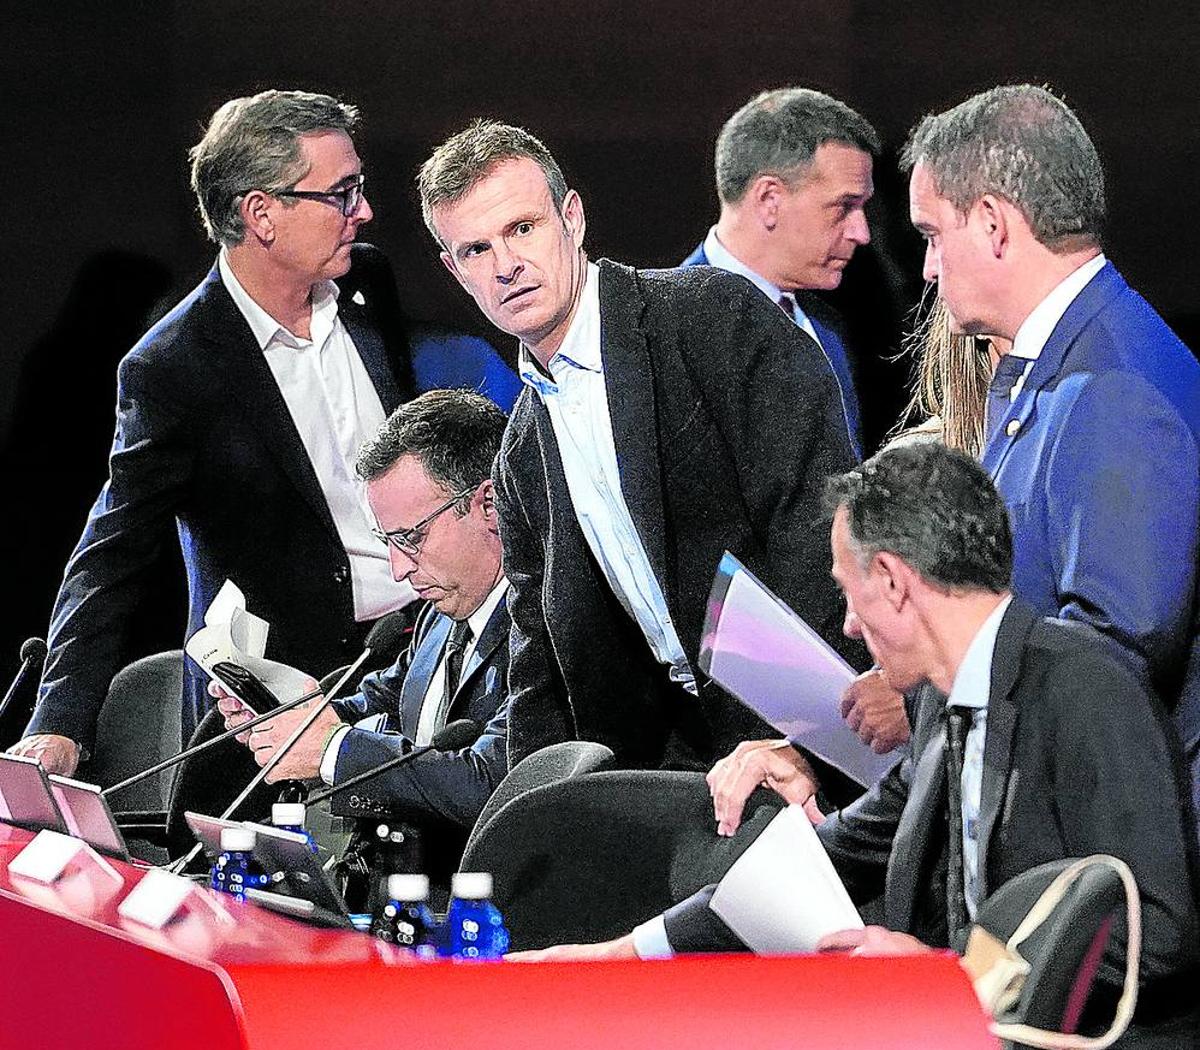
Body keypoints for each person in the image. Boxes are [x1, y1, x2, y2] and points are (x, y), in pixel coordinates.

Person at [518, 444, 1200, 1041]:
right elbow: (828, 857)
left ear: (896, 583)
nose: (846, 624)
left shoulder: (1086, 690)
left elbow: (1156, 931)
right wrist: (620, 955)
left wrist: (955, 978)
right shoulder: (942, 703)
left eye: (848, 592)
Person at [417, 120, 862, 771]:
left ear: (572, 218)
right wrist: (533, 829)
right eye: (477, 249)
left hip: (813, 729)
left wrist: (816, 730)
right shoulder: (518, 457)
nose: (507, 265)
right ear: (455, 271)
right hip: (672, 765)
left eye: (522, 228)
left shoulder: (708, 313)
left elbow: (813, 515)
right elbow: (539, 666)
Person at [10, 90, 423, 774]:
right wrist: (59, 721)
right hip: (271, 710)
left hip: (411, 662)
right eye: (342, 193)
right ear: (261, 213)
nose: (365, 212)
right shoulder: (174, 367)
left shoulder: (366, 282)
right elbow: (110, 558)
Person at [900, 84, 1200, 833]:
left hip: (1108, 859)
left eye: (933, 235)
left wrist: (944, 657)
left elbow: (1110, 661)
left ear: (995, 224)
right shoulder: (1066, 364)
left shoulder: (1115, 388)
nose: (929, 269)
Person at [217, 389, 510, 878]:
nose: (397, 570)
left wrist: (330, 748)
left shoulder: (548, 628)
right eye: (387, 543)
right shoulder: (441, 614)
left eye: (410, 539)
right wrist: (284, 710)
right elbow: (378, 702)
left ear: (488, 504)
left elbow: (490, 782)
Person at [680, 87, 878, 458]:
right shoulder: (662, 332)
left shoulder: (831, 329)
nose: (861, 233)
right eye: (844, 206)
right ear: (770, 200)